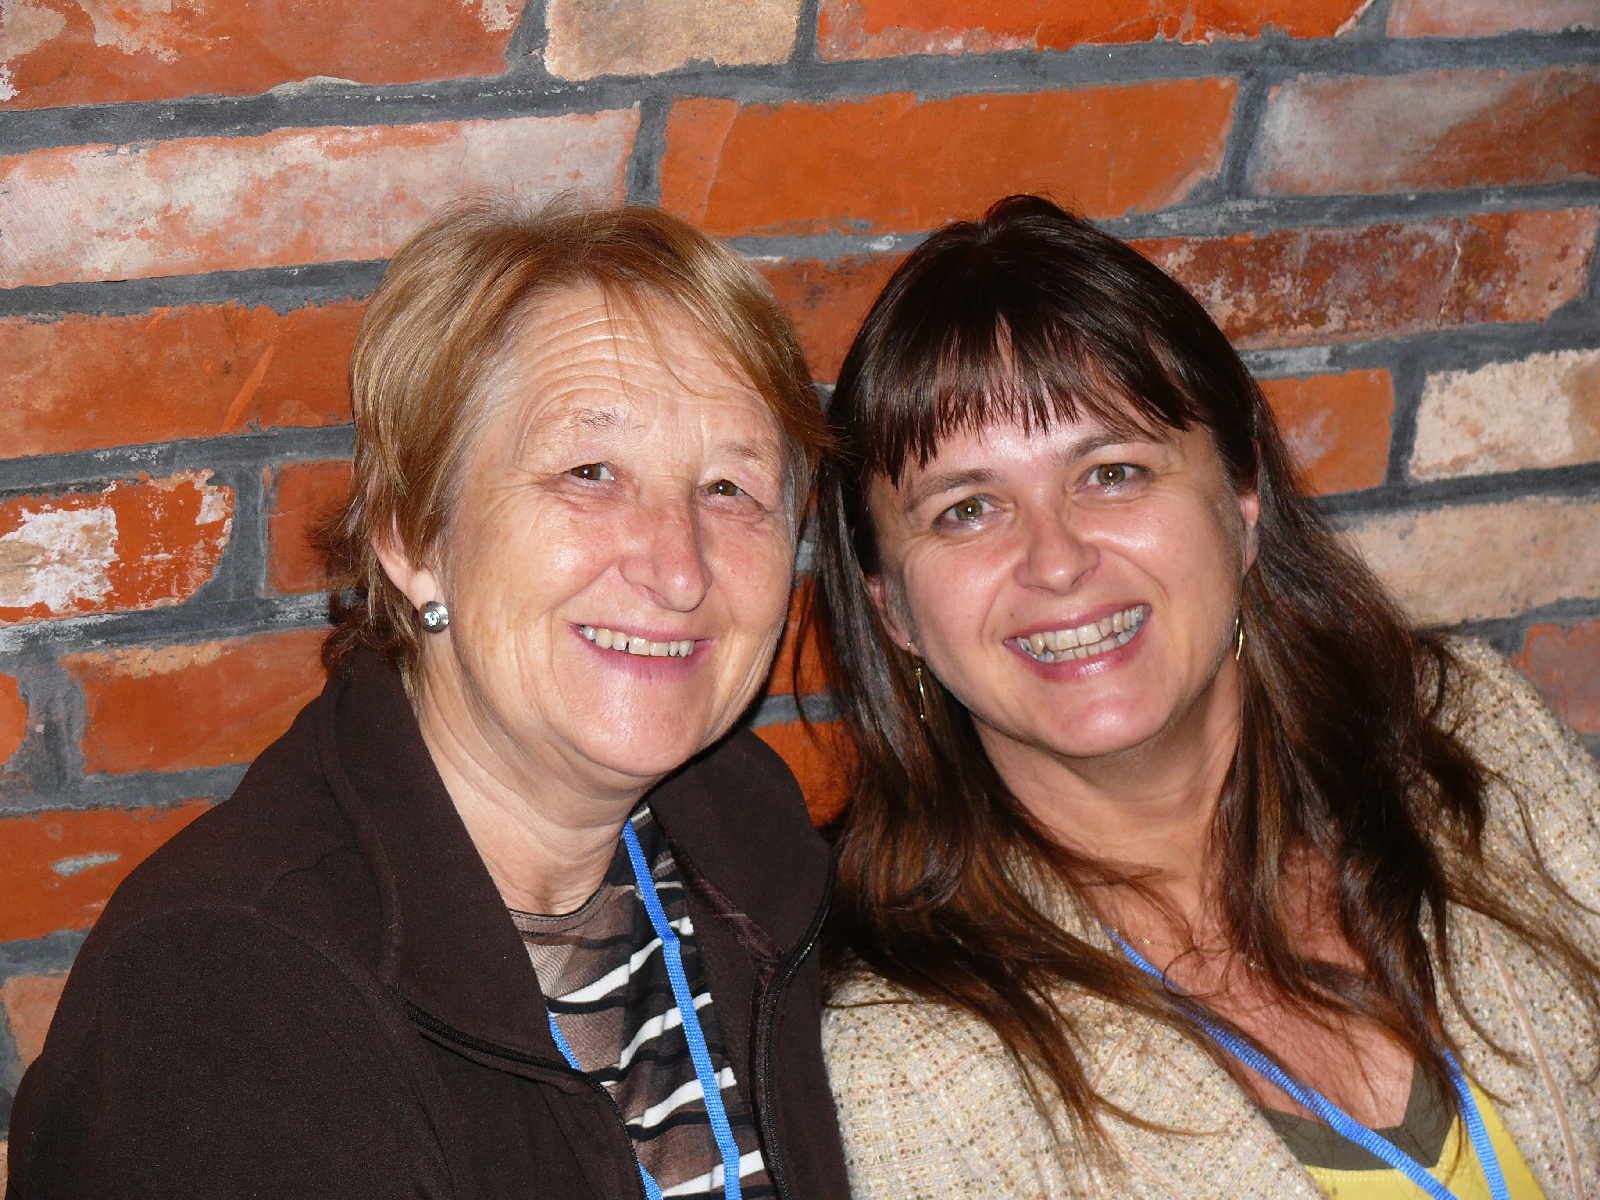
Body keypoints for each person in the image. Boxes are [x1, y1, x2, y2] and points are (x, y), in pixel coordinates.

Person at [9, 200, 850, 1200]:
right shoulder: (224, 998)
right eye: (590, 472)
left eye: (728, 489)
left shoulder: (745, 845)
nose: (679, 569)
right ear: (413, 535)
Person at [812, 194, 1600, 1199]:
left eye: (1112, 472)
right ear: (893, 610)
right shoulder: (910, 1069)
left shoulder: (1477, 745)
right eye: (967, 509)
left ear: (1241, 501)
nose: (1055, 560)